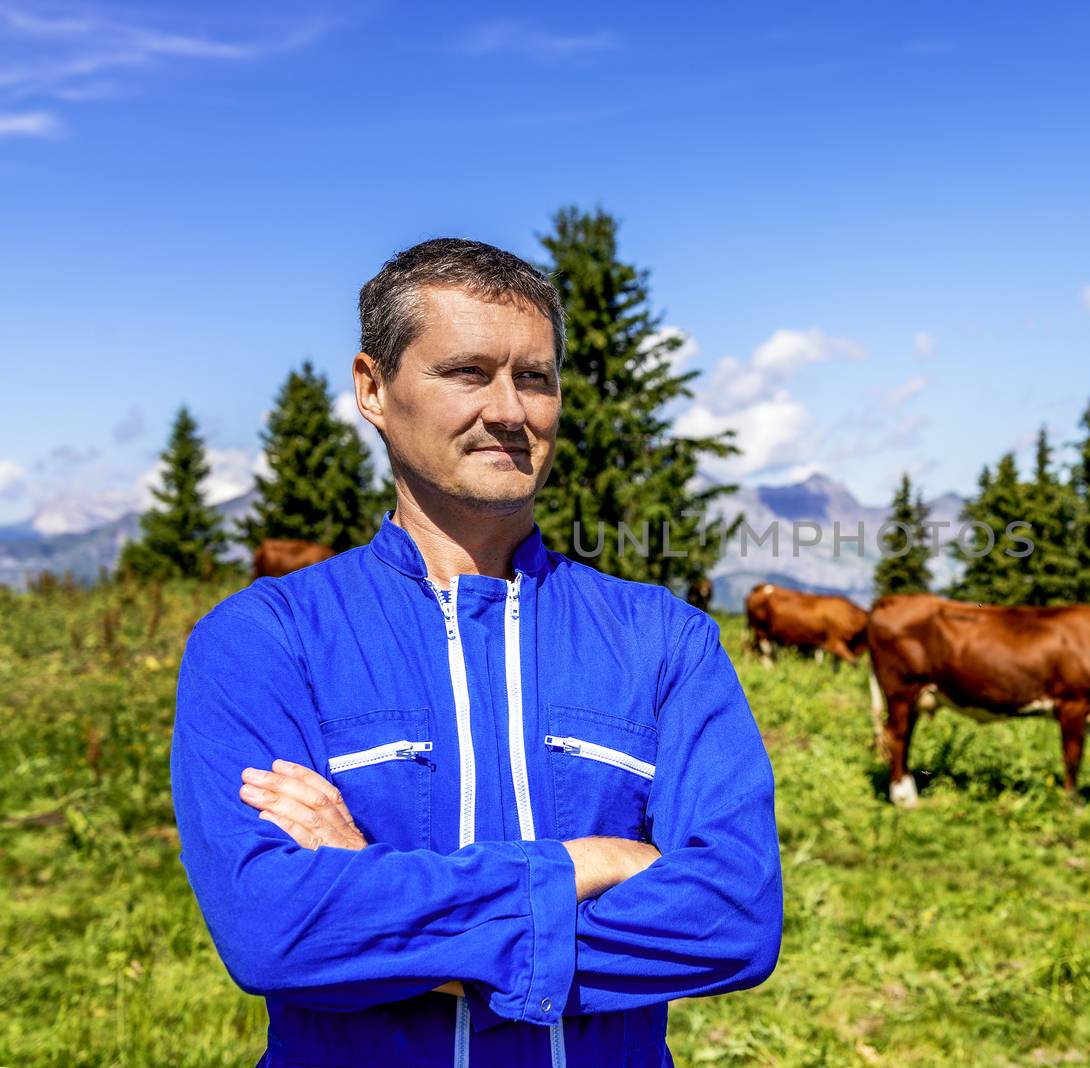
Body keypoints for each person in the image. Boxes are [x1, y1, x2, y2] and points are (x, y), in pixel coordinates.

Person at [170, 238, 782, 1067]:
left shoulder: (665, 640)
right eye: (466, 372)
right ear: (373, 389)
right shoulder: (262, 641)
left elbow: (733, 919)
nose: (510, 410)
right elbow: (276, 929)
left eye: (534, 377)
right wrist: (589, 863)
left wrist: (380, 892)